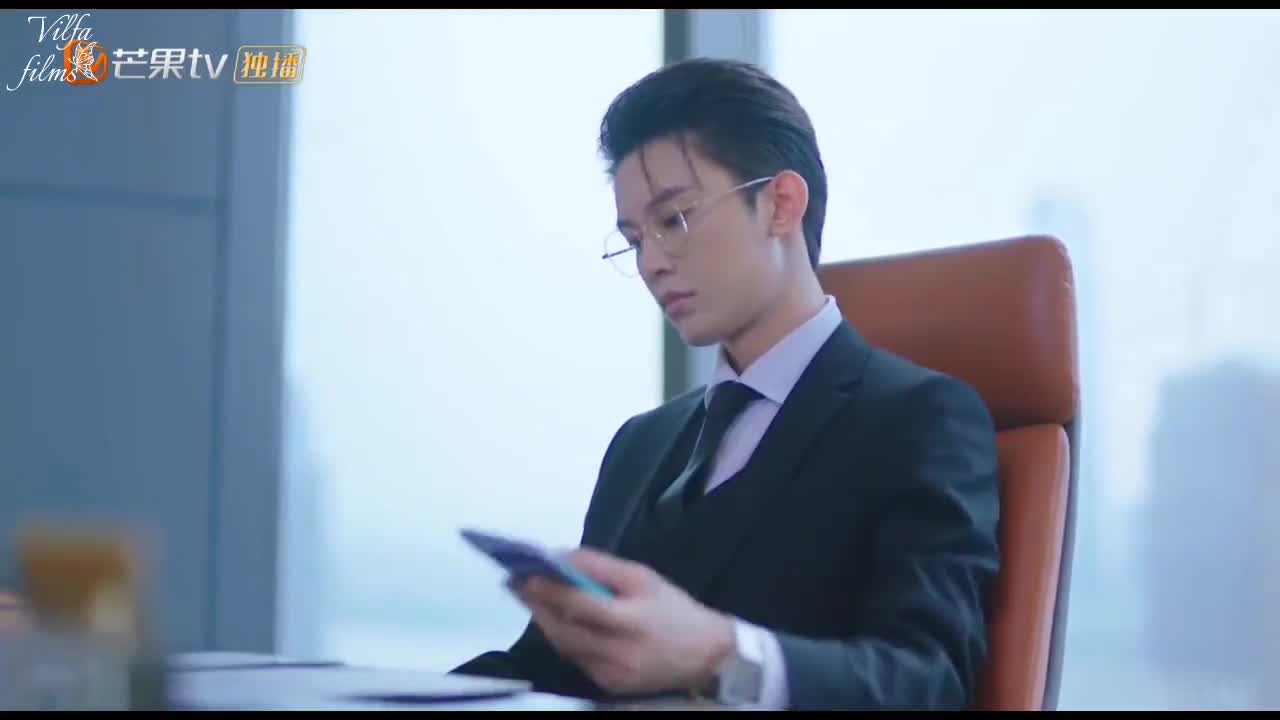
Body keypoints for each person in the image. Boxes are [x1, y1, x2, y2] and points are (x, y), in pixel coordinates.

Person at [451, 57, 1001, 711]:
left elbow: (928, 680)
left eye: (674, 219)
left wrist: (720, 652)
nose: (651, 262)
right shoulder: (641, 444)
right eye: (634, 238)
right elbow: (545, 670)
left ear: (780, 204)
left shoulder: (920, 419)